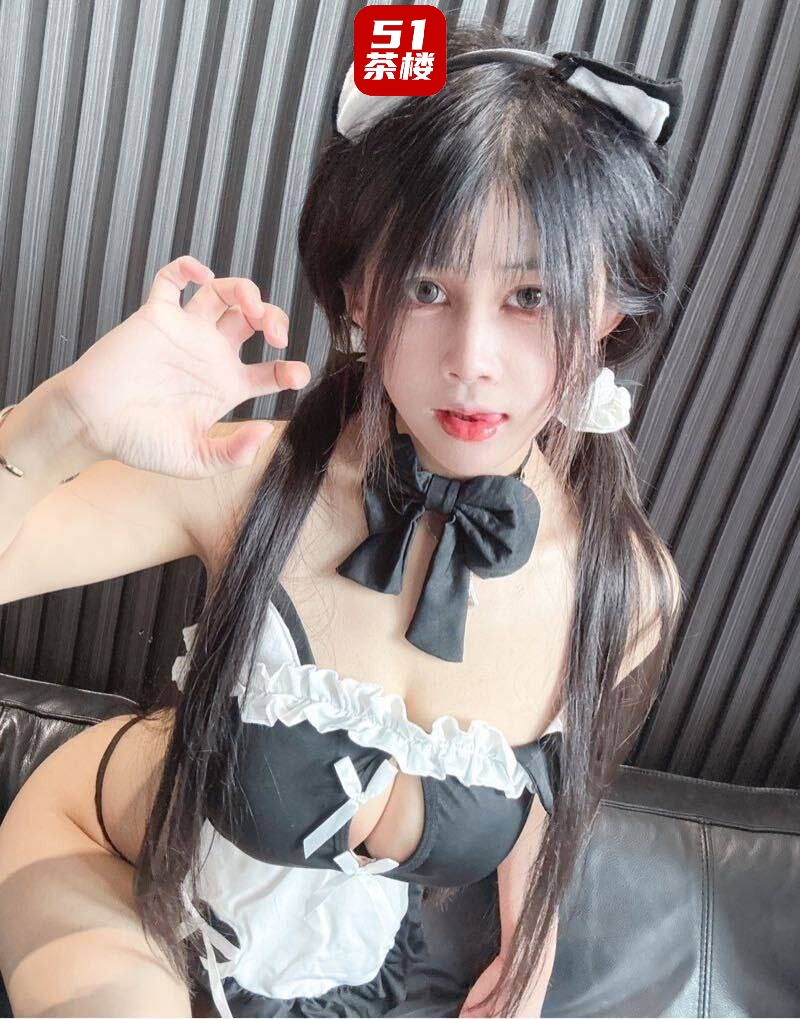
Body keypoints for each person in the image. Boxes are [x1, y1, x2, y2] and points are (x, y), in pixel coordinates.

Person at [0, 20, 685, 1019]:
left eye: (531, 295)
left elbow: (546, 773)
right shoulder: (249, 478)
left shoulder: (622, 589)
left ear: (610, 310)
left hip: (344, 974)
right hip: (105, 859)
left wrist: (527, 955)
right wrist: (60, 420)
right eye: (426, 285)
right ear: (359, 291)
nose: (471, 359)